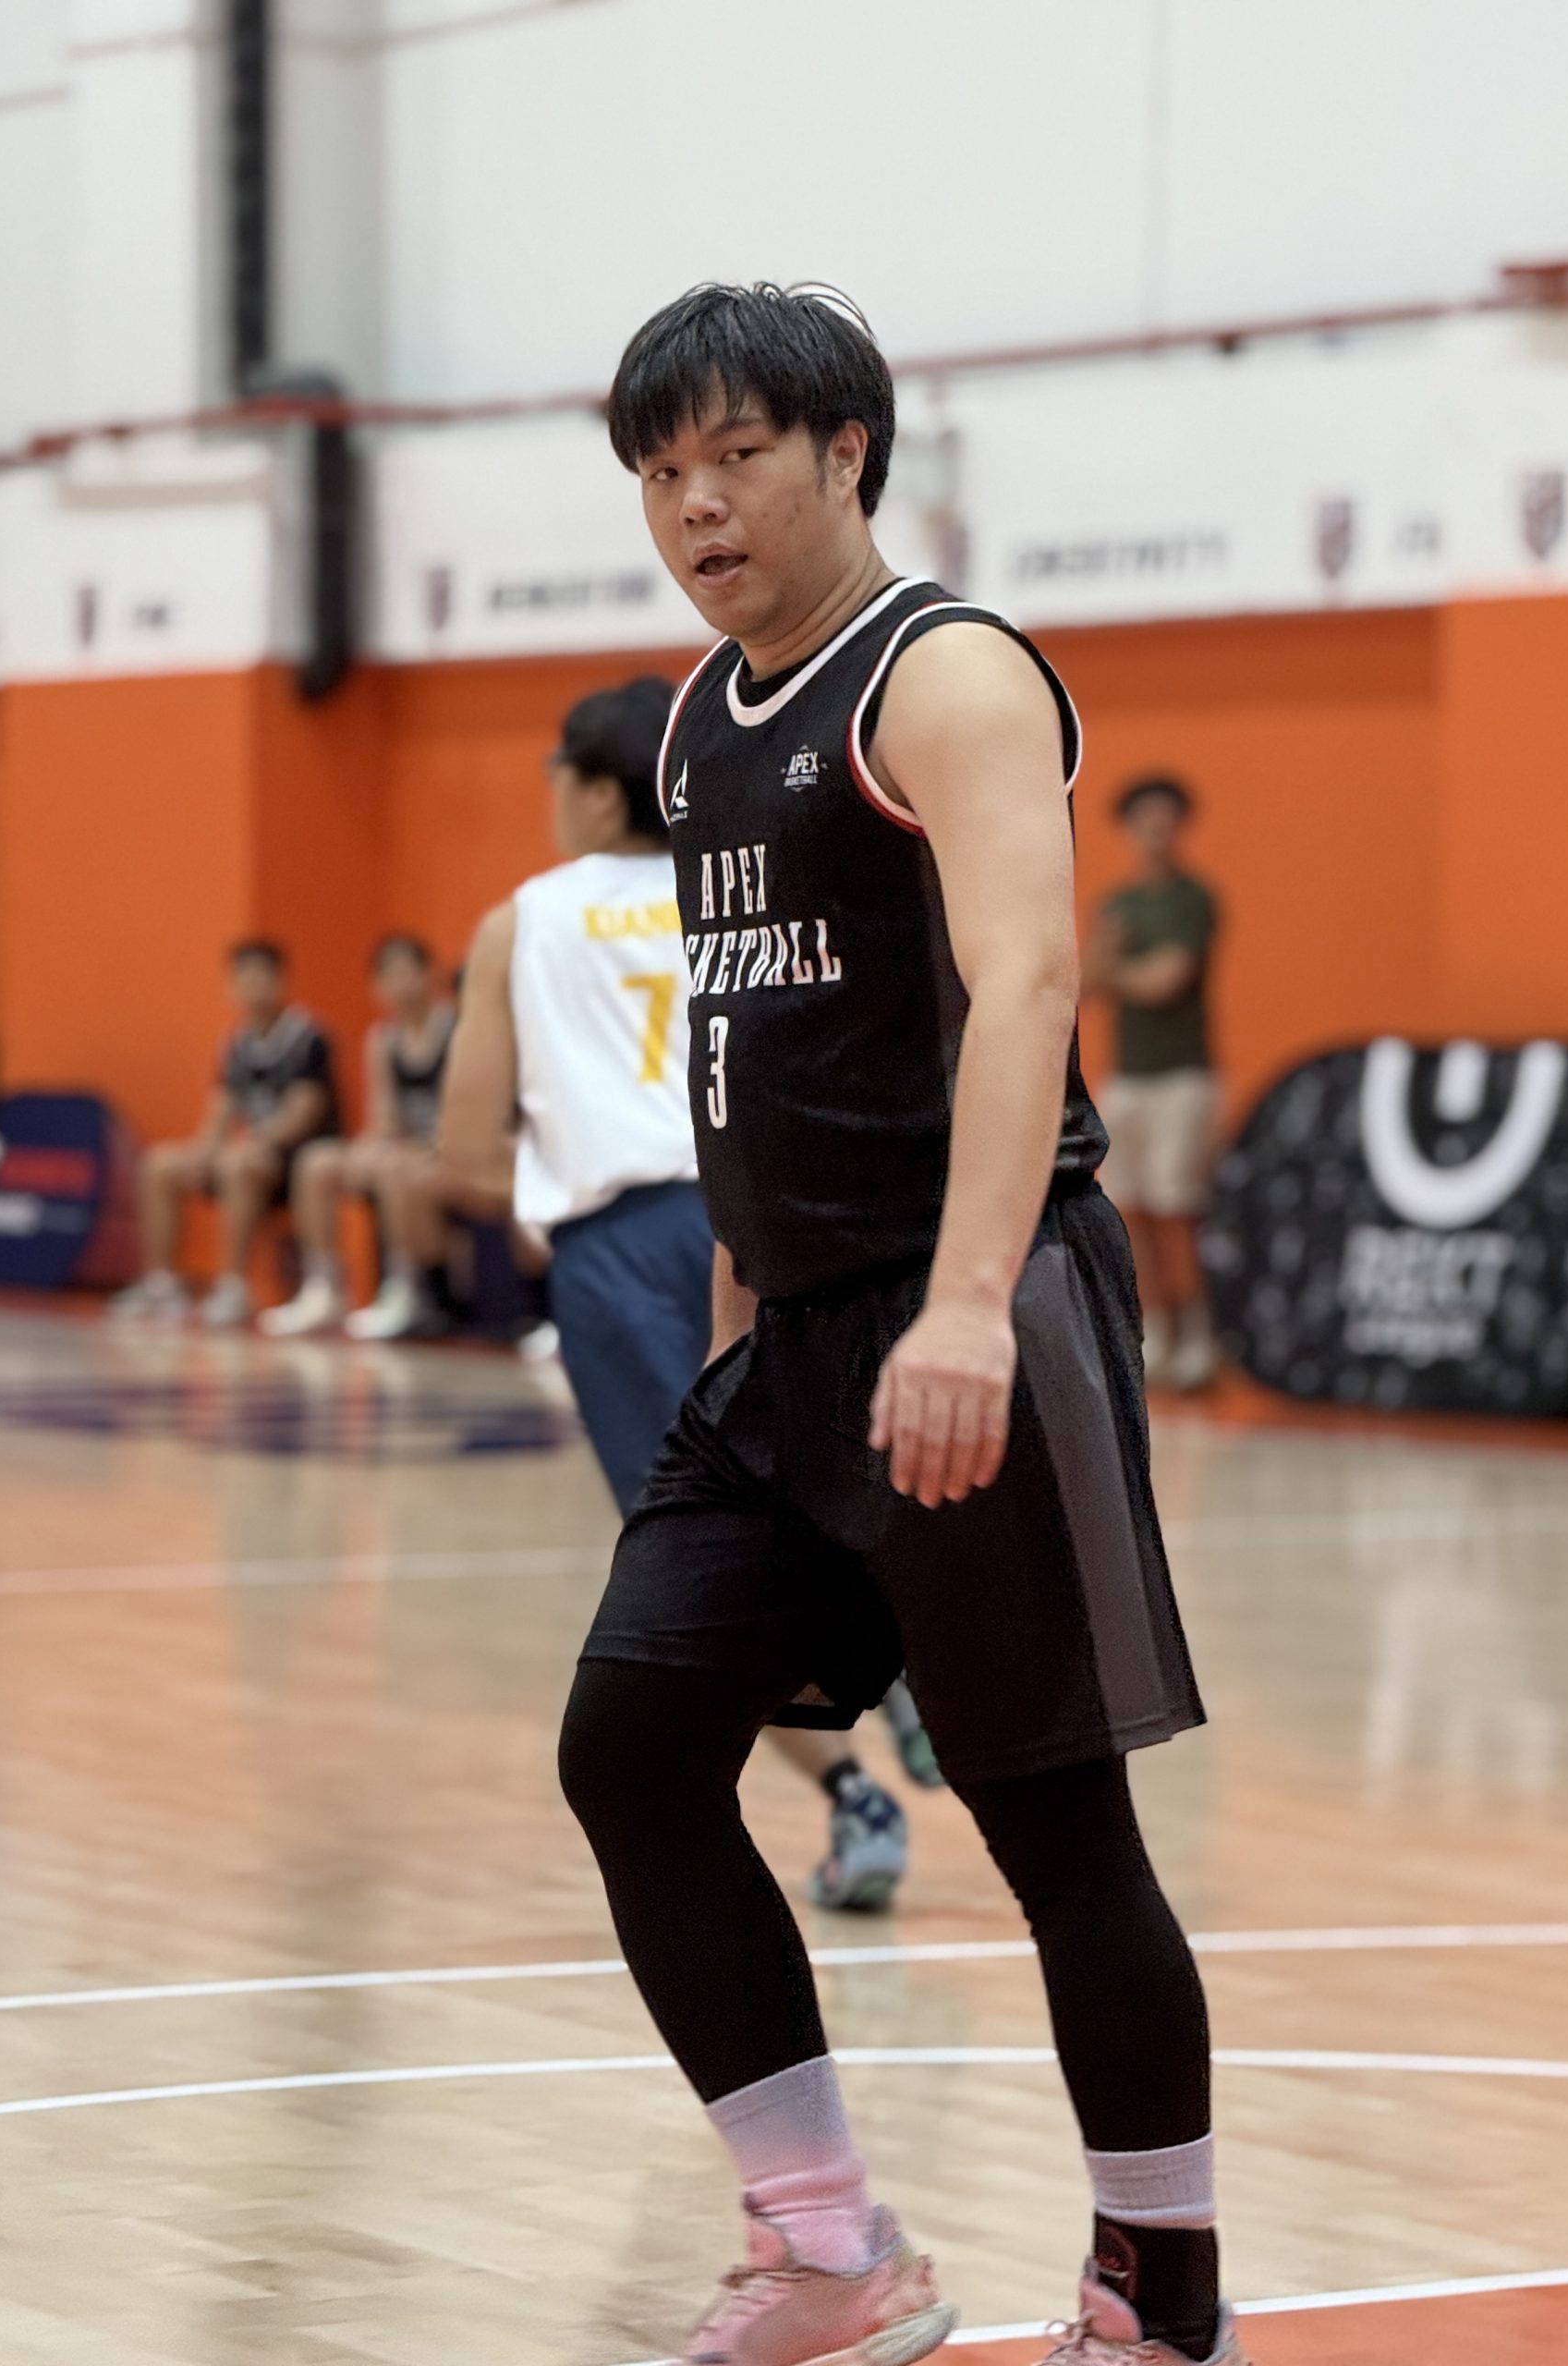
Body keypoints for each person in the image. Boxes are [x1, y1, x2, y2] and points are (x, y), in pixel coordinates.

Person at [556, 284, 1244, 2366]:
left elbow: (1027, 986)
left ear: (847, 451)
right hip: (790, 1347)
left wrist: (962, 1307)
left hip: (978, 1306)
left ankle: (1161, 2301)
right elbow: (749, 1060)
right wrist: (735, 1326)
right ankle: (831, 2248)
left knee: (1057, 1831)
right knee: (632, 1752)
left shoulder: (942, 675)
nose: (697, 505)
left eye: (736, 455)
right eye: (662, 472)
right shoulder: (702, 719)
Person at [439, 675, 931, 1913]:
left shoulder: (523, 921)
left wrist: (552, 1211)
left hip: (622, 1252)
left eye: (560, 775)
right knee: (815, 1485)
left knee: (697, 1558)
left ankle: (856, 1790)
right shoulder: (743, 877)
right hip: (775, 1218)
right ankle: (903, 1649)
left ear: (601, 795)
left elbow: (462, 1152)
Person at [110, 940, 339, 1329]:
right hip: (247, 1153)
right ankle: (161, 1284)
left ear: (280, 980)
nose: (250, 986)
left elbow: (302, 1114)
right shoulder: (236, 1042)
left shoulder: (308, 1037)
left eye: (259, 976)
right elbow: (221, 1108)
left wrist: (250, 1144)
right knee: (159, 1164)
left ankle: (233, 1286)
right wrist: (205, 1151)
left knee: (237, 1165)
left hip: (291, 1160)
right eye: (241, 978)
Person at [1081, 777, 1222, 1392]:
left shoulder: (1193, 899)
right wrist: (1110, 957)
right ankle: (1157, 1332)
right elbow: (1083, 985)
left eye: (1165, 819)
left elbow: (1167, 980)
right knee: (1131, 1210)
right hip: (1128, 1080)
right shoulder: (1116, 905)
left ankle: (1200, 1337)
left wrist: (1114, 966)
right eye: (1144, 820)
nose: (1154, 831)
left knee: (1176, 1210)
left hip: (1182, 1079)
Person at [258, 933, 468, 1338]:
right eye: (389, 977)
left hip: (449, 1150)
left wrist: (405, 1151)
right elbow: (384, 1117)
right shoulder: (383, 1038)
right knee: (317, 1162)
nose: (400, 986)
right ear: (376, 987)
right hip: (405, 1148)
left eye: (408, 973)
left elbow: (463, 1116)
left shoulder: (456, 1031)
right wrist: (369, 1148)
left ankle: (406, 1289)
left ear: (429, 976)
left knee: (394, 1167)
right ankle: (324, 1288)